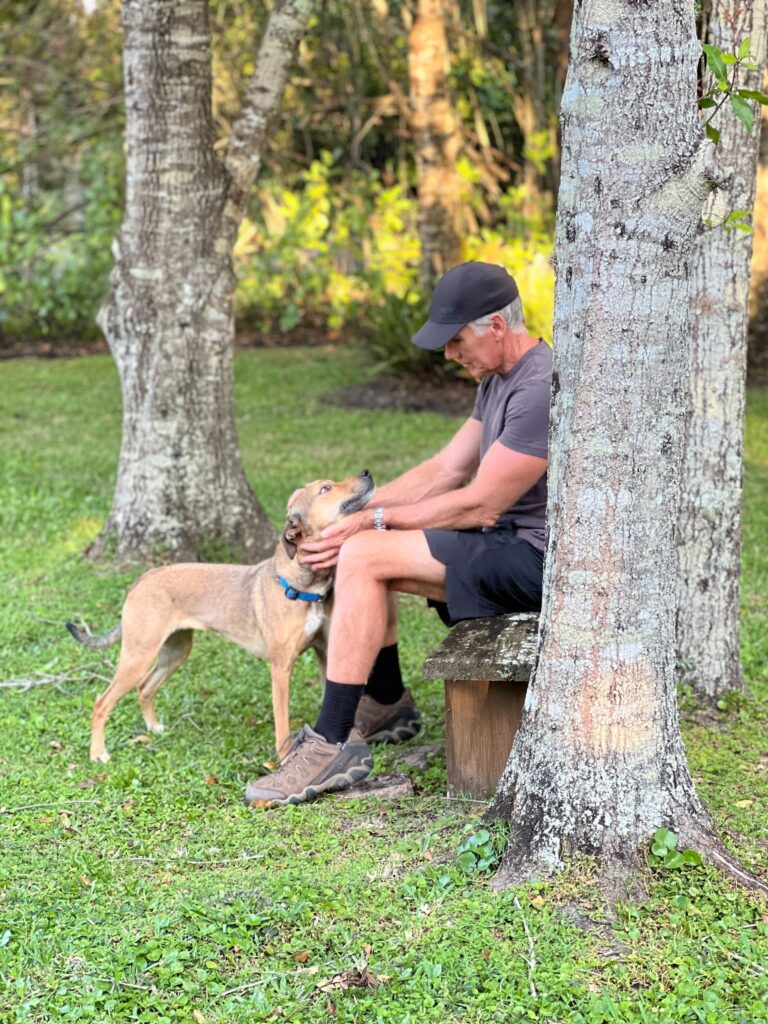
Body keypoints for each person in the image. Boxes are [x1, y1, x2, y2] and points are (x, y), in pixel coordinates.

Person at [245, 261, 552, 806]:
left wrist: (370, 523)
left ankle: (332, 742)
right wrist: (350, 514)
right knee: (359, 548)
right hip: (499, 544)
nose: (450, 355)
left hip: (533, 560)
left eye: (457, 341)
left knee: (365, 555)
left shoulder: (537, 387)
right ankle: (385, 700)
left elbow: (483, 503)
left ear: (498, 328)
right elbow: (443, 471)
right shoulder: (497, 379)